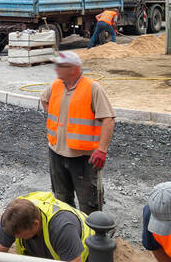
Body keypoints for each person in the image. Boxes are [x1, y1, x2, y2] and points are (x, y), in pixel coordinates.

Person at [41, 51, 115, 214]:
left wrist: (102, 150)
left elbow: (108, 119)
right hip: (56, 153)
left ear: (74, 69)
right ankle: (70, 232)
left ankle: (92, 236)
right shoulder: (56, 85)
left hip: (83, 158)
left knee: (89, 204)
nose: (56, 69)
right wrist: (61, 121)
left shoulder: (92, 88)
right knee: (62, 199)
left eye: (61, 66)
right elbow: (44, 99)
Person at [0, 192, 94, 261]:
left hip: (87, 253)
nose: (16, 237)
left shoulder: (62, 229)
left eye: (20, 234)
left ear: (35, 224)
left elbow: (75, 260)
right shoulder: (11, 218)